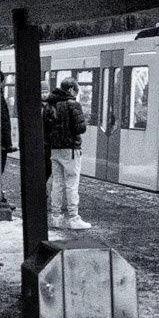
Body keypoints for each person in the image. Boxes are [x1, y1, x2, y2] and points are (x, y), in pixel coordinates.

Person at [43, 76, 90, 230]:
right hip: (70, 149)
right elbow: (80, 128)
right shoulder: (73, 104)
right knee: (71, 184)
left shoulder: (49, 104)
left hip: (54, 149)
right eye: (75, 90)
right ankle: (73, 218)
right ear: (70, 89)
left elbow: (45, 128)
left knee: (57, 183)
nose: (76, 94)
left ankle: (55, 217)